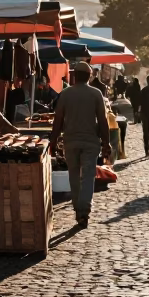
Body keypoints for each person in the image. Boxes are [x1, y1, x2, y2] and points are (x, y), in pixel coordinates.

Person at [49, 59, 112, 229]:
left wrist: (53, 141)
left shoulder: (66, 93)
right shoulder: (96, 94)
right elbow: (103, 121)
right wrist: (106, 143)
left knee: (74, 177)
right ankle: (84, 210)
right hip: (91, 142)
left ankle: (79, 210)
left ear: (75, 76)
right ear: (90, 76)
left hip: (70, 142)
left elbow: (58, 120)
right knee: (88, 176)